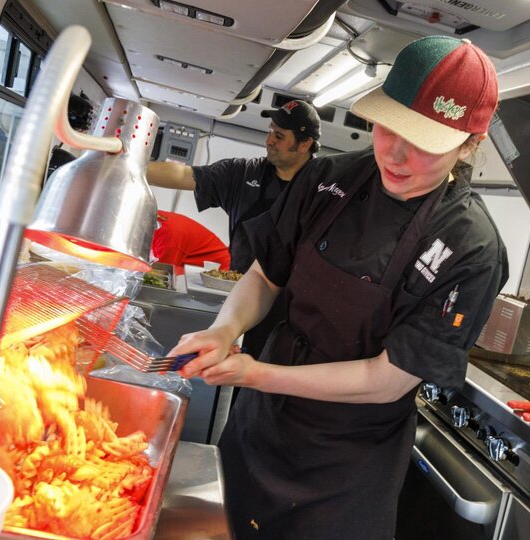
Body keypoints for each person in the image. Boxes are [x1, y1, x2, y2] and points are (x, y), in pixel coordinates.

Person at [170, 36, 510, 539]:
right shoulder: (329, 178)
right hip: (259, 432)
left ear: (468, 145)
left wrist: (256, 373)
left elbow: (388, 379)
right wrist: (225, 330)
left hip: (345, 473)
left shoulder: (470, 248)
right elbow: (266, 275)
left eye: (423, 143)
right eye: (387, 127)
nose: (395, 154)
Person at [146, 99, 321, 358]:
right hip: (243, 297)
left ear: (304, 144)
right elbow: (184, 175)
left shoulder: (323, 188)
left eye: (280, 135)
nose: (269, 140)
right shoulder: (243, 173)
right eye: (270, 131)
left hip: (295, 310)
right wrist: (130, 167)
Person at [151, 210, 230, 274]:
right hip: (198, 273)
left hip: (220, 274)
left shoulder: (168, 237)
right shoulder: (154, 216)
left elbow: (159, 273)